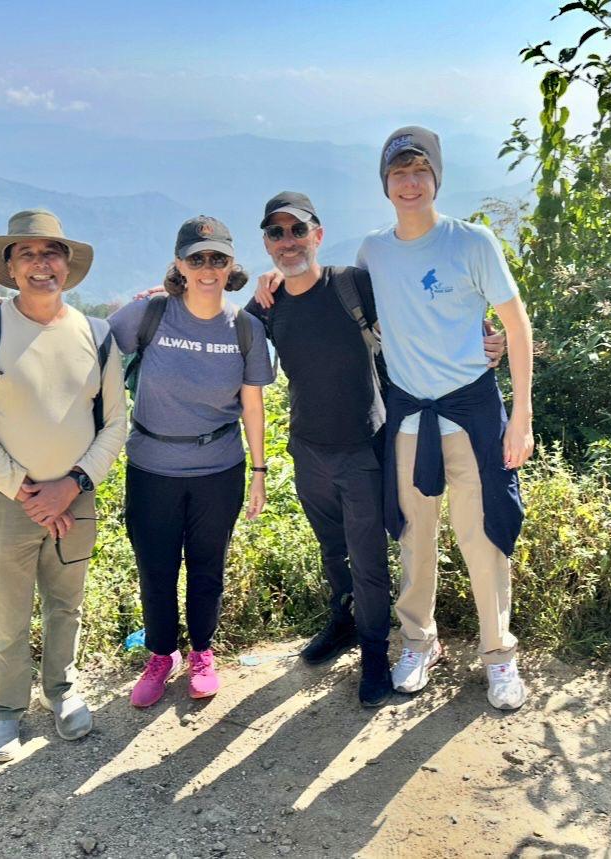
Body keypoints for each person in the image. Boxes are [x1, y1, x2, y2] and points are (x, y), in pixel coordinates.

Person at [248, 193, 506, 708]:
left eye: (297, 231)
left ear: (317, 236)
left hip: (366, 445)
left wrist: (485, 339)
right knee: (333, 550)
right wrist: (163, 294)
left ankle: (373, 653)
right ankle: (342, 623)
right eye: (276, 234)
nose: (288, 242)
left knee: (368, 560)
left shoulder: (350, 284)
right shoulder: (266, 305)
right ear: (267, 245)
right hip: (307, 448)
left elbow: (422, 307)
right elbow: (216, 320)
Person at [359, 126, 534, 709]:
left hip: (473, 411)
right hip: (410, 415)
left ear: (436, 178)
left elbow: (516, 326)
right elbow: (350, 310)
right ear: (385, 185)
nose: (410, 184)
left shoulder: (472, 242)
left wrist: (522, 416)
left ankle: (499, 654)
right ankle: (419, 642)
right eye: (398, 174)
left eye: (419, 172)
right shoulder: (373, 251)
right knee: (414, 537)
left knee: (483, 538)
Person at [0, 209, 127, 762]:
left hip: (77, 497)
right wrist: (29, 491)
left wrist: (70, 485)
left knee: (65, 603)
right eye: (26, 253)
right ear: (9, 266)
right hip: (5, 501)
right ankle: (5, 710)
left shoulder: (95, 335)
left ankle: (62, 689)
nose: (40, 264)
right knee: (5, 609)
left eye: (51, 252)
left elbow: (117, 422)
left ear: (68, 265)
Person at [108, 216, 273, 708]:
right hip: (151, 466)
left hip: (219, 469)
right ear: (179, 264)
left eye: (217, 259)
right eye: (197, 259)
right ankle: (162, 657)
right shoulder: (150, 315)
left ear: (230, 265)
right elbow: (82, 341)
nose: (207, 268)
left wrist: (260, 472)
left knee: (208, 567)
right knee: (155, 568)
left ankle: (202, 652)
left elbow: (253, 406)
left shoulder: (245, 328)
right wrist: (13, 311)